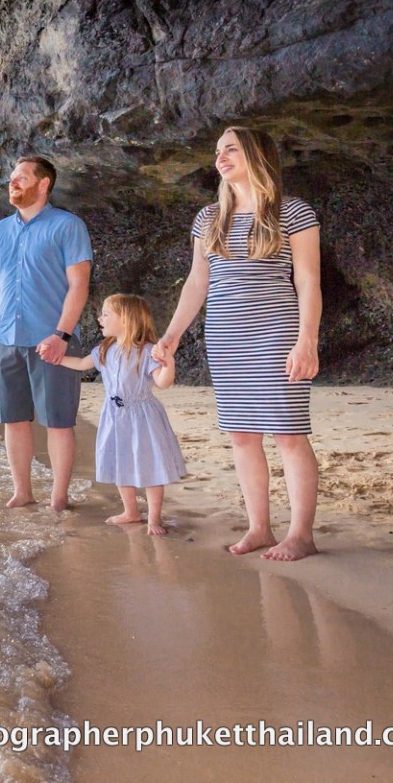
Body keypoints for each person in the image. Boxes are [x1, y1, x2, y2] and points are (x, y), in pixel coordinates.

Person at [155, 126, 322, 561]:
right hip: (225, 338)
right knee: (242, 435)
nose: (220, 157)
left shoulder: (293, 212)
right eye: (216, 151)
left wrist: (307, 341)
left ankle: (301, 534)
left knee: (288, 434)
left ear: (256, 155)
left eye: (230, 149)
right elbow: (197, 283)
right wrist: (171, 336)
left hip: (277, 332)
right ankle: (260, 528)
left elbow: (307, 280)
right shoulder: (208, 218)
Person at [0, 155, 93, 511]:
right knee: (13, 420)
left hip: (51, 341)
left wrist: (62, 335)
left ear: (43, 184)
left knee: (58, 422)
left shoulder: (68, 226)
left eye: (22, 178)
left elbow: (79, 285)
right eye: (12, 178)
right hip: (9, 339)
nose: (13, 183)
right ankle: (23, 491)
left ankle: (59, 497)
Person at [59, 294, 186, 535]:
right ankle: (131, 511)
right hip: (114, 415)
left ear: (126, 321)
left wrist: (168, 364)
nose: (100, 318)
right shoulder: (103, 350)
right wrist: (57, 358)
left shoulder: (147, 351)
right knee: (121, 461)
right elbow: (80, 364)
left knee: (150, 466)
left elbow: (162, 382)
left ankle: (154, 518)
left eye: (106, 314)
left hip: (143, 417)